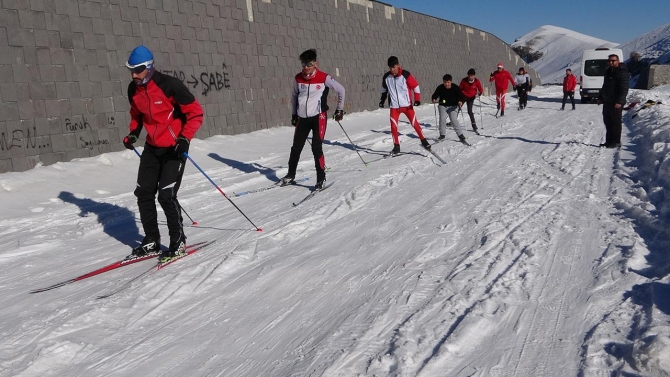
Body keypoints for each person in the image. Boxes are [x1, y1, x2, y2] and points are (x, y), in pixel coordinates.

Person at [122, 45, 204, 261]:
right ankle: (151, 240)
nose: (134, 74)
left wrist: (185, 138)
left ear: (149, 67)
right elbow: (136, 115)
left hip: (173, 148)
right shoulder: (134, 89)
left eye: (138, 69)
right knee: (143, 193)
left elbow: (195, 113)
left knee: (166, 196)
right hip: (152, 147)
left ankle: (178, 242)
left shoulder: (169, 85)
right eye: (131, 70)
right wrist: (133, 134)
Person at [279, 49, 345, 190]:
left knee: (316, 146)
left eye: (309, 64)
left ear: (316, 63)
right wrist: (293, 114)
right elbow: (295, 96)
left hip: (318, 117)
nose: (306, 68)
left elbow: (341, 90)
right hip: (302, 118)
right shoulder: (298, 78)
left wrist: (339, 109)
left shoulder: (324, 77)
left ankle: (321, 179)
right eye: (303, 64)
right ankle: (290, 175)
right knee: (296, 147)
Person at [379, 56, 431, 155]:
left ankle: (424, 141)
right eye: (390, 67)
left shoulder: (405, 75)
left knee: (414, 123)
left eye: (393, 67)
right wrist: (382, 100)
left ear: (398, 65)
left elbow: (415, 86)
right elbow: (384, 89)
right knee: (393, 127)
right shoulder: (386, 77)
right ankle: (396, 146)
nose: (392, 70)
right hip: (394, 107)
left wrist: (417, 99)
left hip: (407, 106)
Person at [597, 54, 630, 148]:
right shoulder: (608, 71)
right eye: (609, 61)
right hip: (607, 101)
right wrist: (600, 97)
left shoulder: (622, 72)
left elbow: (624, 88)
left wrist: (619, 101)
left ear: (618, 61)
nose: (611, 62)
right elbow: (605, 86)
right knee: (607, 121)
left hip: (616, 102)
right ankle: (609, 141)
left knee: (615, 122)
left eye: (613, 61)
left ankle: (616, 141)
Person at [432, 74, 468, 144]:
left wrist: (461, 101)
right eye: (445, 82)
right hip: (443, 106)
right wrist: (434, 98)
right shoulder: (440, 87)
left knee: (453, 119)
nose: (447, 84)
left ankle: (460, 135)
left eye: (448, 82)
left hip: (453, 106)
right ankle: (442, 135)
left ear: (451, 82)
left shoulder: (455, 88)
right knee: (442, 118)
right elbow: (435, 94)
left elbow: (462, 96)